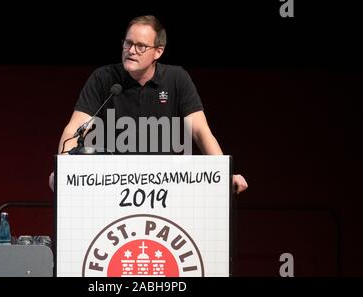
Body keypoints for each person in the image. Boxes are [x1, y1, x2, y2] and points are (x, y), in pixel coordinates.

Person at [49, 15, 248, 194]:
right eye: (128, 43)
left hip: (163, 184)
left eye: (140, 46)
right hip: (110, 183)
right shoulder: (104, 78)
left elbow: (200, 131)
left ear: (158, 51)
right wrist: (63, 170)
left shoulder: (176, 78)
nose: (131, 51)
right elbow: (74, 129)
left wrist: (224, 175)